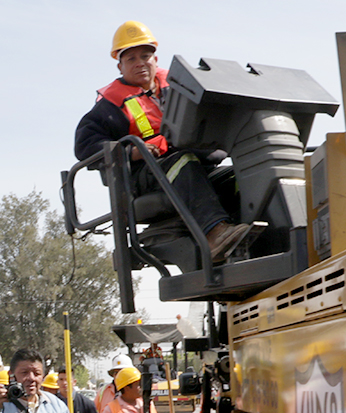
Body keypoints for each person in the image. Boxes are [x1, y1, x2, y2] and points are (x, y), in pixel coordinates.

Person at [74, 20, 254, 263]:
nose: (140, 63)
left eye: (145, 56)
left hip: (196, 168)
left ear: (155, 59)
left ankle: (252, 230)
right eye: (131, 58)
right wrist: (131, 152)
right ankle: (214, 234)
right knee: (182, 162)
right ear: (120, 66)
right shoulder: (110, 106)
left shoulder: (181, 88)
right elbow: (85, 147)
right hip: (146, 175)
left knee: (240, 174)